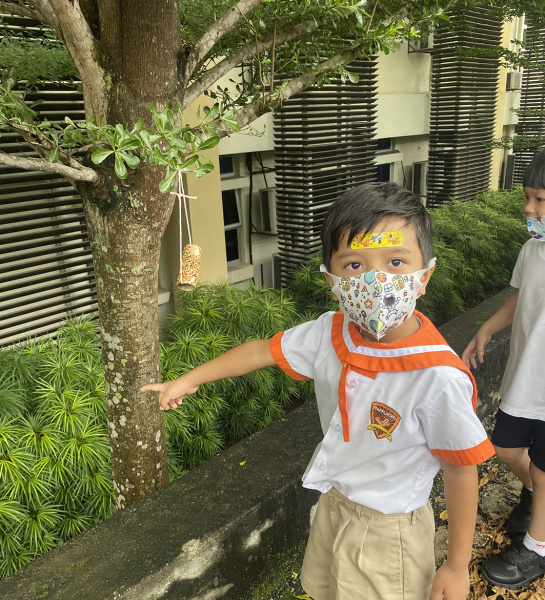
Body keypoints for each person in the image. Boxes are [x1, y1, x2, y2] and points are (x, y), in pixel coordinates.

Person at [142, 182, 494, 600]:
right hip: (333, 503)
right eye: (354, 265)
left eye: (396, 262)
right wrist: (189, 378)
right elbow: (260, 351)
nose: (376, 281)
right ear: (331, 279)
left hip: (389, 527)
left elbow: (461, 468)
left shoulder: (438, 377)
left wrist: (456, 566)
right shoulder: (330, 332)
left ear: (424, 276)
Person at [462, 150, 545, 590]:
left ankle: (536, 549)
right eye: (528, 198)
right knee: (509, 450)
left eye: (540, 199)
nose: (529, 209)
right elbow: (520, 298)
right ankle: (535, 498)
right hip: (523, 380)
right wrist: (487, 328)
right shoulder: (532, 249)